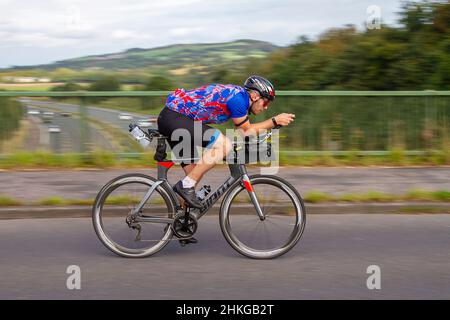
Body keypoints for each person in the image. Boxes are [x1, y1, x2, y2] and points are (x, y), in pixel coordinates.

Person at [157, 75, 295, 209]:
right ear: (255, 96)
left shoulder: (239, 96)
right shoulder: (238, 100)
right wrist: (274, 121)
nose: (265, 107)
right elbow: (245, 131)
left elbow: (245, 133)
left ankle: (180, 221)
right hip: (175, 118)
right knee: (224, 145)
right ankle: (185, 186)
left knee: (194, 175)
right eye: (266, 102)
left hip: (176, 119)